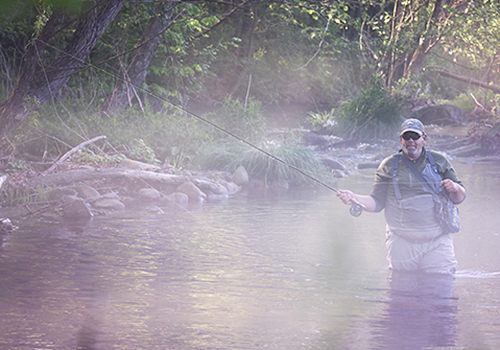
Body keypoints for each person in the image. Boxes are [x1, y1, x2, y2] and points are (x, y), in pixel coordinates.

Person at [337, 118, 466, 274]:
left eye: (415, 136)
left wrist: (455, 188)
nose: (411, 140)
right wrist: (354, 198)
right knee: (401, 294)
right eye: (406, 136)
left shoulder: (439, 161)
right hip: (401, 243)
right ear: (401, 140)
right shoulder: (388, 165)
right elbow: (376, 202)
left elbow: (459, 198)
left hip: (437, 242)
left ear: (423, 138)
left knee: (440, 291)